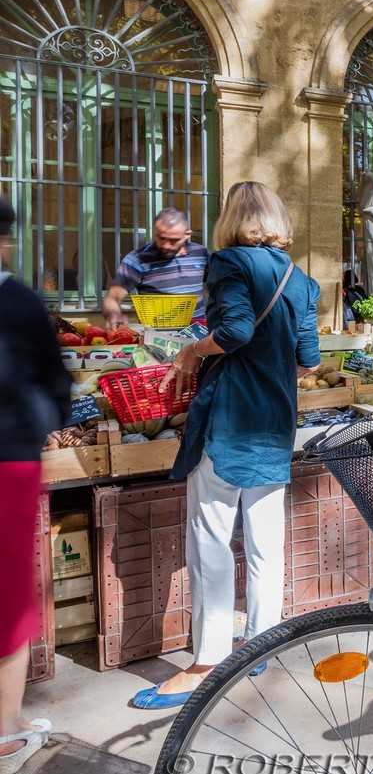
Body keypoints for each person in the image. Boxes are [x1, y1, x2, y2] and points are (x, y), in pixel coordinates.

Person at [131, 182, 321, 708]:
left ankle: (208, 661)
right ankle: (261, 642)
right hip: (275, 421)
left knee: (210, 540)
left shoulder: (228, 263)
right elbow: (309, 359)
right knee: (265, 540)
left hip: (231, 420)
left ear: (230, 219)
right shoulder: (300, 279)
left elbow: (235, 329)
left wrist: (194, 349)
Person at [0, 195, 72, 773]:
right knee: (7, 595)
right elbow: (56, 386)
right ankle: (7, 731)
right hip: (9, 460)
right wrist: (40, 426)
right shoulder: (19, 303)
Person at [102, 208, 209, 327]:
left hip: (197, 333)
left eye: (173, 240)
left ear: (187, 235)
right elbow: (112, 298)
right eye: (161, 238)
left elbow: (215, 289)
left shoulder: (200, 253)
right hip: (156, 337)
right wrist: (113, 314)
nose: (166, 245)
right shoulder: (138, 259)